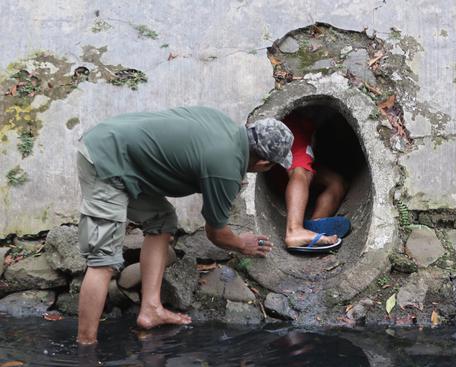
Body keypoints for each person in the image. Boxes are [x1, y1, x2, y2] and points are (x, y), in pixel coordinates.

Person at [75, 107, 293, 345]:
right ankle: (86, 347)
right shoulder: (226, 167)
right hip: (104, 158)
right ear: (262, 163)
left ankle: (151, 309)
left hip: (121, 152)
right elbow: (216, 233)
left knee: (161, 220)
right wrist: (242, 244)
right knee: (103, 261)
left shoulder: (225, 127)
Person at [282, 111, 349, 252]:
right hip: (294, 125)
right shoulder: (293, 128)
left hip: (306, 126)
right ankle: (294, 230)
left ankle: (315, 224)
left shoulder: (311, 128)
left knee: (337, 183)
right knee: (301, 170)